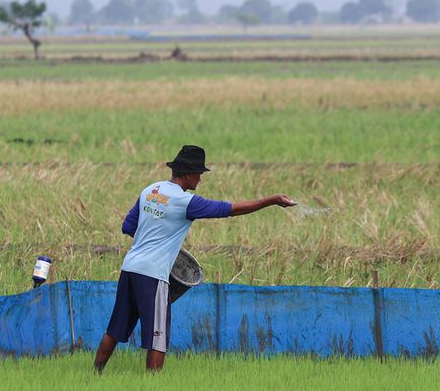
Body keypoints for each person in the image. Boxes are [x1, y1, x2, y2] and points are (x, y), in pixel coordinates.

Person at [93, 145, 295, 373]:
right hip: (153, 274)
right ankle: (151, 388)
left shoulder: (151, 190)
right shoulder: (185, 202)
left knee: (115, 329)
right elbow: (230, 209)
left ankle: (95, 375)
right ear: (188, 174)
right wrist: (271, 201)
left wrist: (153, 241)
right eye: (199, 174)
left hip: (130, 268)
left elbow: (128, 226)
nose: (200, 179)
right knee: (157, 337)